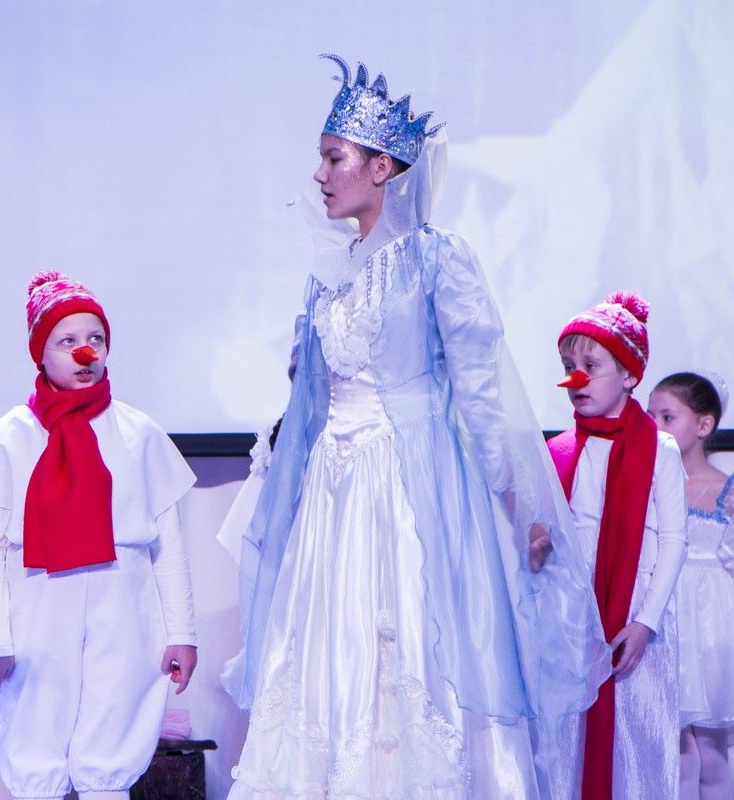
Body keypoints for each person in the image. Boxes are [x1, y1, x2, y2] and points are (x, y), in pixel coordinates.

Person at [226, 55, 608, 799]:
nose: (320, 175)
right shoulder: (327, 272)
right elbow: (309, 402)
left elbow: (479, 391)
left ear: (381, 168)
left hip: (405, 489)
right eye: (321, 159)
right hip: (331, 498)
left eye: (334, 158)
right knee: (325, 655)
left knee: (409, 645)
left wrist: (515, 507)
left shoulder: (436, 259)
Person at [0, 271, 198, 800]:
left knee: (114, 725)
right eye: (68, 341)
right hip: (39, 597)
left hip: (125, 598)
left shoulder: (139, 433)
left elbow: (167, 544)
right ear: (40, 354)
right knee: (36, 727)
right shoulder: (8, 437)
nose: (86, 353)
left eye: (96, 339)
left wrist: (182, 631)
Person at [548, 292, 688, 798]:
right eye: (568, 367)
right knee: (568, 750)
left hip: (635, 622)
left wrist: (644, 622)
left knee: (635, 753)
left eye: (591, 366)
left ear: (629, 375)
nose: (576, 379)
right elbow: (554, 536)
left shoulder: (660, 449)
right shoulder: (559, 451)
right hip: (573, 622)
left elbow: (674, 540)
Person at [647, 372, 734, 799]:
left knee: (712, 759)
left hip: (711, 641)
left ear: (703, 425)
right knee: (675, 756)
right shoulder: (645, 488)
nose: (655, 427)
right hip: (662, 634)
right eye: (649, 416)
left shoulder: (733, 493)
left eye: (667, 417)